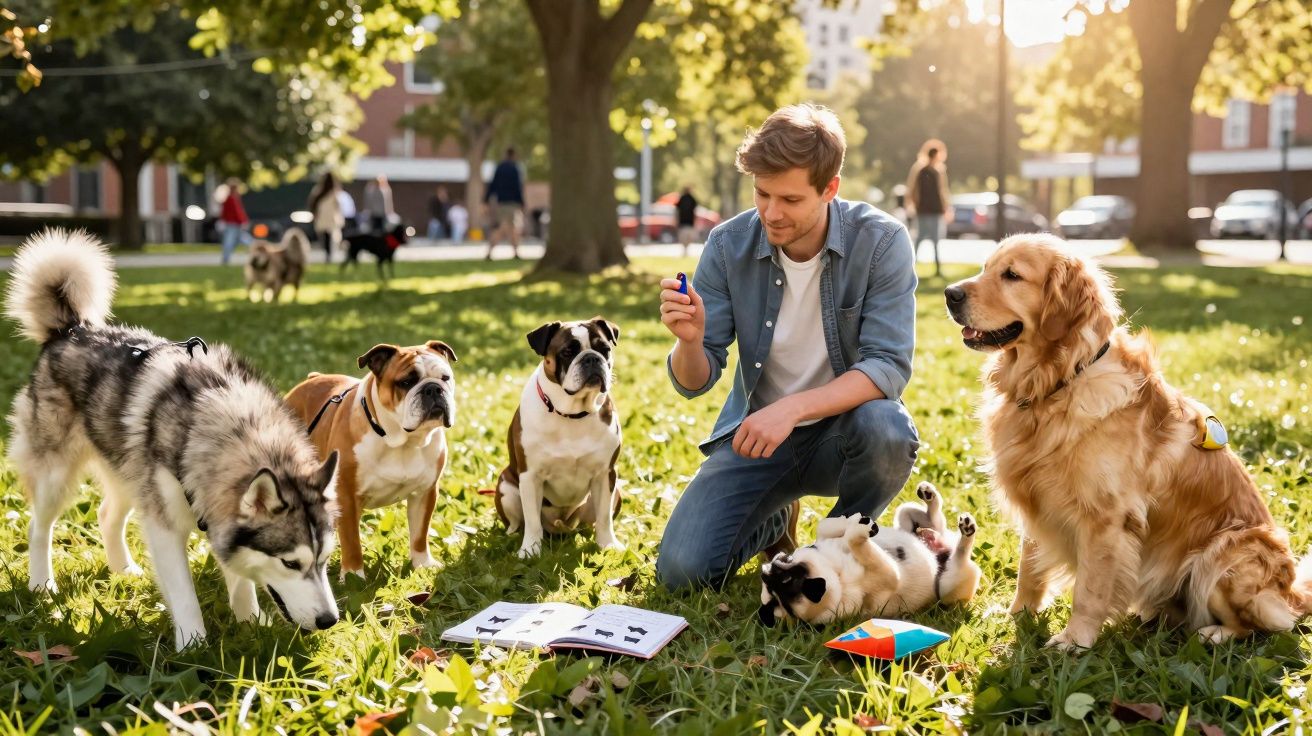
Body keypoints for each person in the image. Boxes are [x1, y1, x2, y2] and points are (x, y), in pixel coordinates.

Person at [655, 103, 919, 591]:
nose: (772, 213)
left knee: (889, 428)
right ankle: (774, 520)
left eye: (791, 200)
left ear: (830, 188)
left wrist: (792, 410)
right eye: (762, 194)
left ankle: (839, 550)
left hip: (845, 435)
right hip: (758, 440)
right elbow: (696, 381)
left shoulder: (881, 242)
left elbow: (887, 367)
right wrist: (689, 342)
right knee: (682, 575)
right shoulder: (727, 245)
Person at [906, 139, 952, 277]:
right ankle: (909, 267)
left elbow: (942, 192)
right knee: (920, 239)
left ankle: (937, 269)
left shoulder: (938, 171)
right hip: (924, 211)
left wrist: (946, 208)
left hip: (935, 211)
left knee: (936, 240)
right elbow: (913, 190)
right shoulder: (921, 171)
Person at [484, 147, 524, 260]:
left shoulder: (499, 168)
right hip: (511, 203)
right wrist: (522, 203)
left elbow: (492, 186)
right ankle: (491, 251)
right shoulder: (514, 169)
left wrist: (486, 200)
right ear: (513, 155)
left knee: (509, 228)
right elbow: (518, 188)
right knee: (505, 227)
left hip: (501, 203)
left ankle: (515, 252)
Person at [307, 172, 344, 263]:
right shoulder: (334, 192)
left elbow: (312, 205)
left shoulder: (318, 191)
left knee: (325, 237)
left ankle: (328, 254)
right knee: (330, 237)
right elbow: (338, 206)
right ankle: (329, 254)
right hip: (331, 218)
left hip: (322, 218)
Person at [218, 177, 250, 266]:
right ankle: (225, 259)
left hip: (234, 223)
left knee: (240, 240)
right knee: (230, 241)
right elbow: (237, 212)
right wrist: (243, 221)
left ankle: (226, 258)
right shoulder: (231, 199)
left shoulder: (233, 198)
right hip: (233, 224)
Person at [676, 186, 699, 257]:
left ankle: (686, 249)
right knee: (683, 238)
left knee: (688, 238)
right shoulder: (681, 199)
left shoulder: (692, 199)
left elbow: (695, 210)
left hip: (689, 222)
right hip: (683, 222)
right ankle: (685, 250)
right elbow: (677, 210)